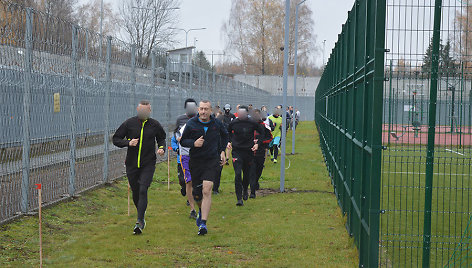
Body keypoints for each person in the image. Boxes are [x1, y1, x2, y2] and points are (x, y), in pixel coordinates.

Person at [113, 100, 166, 235]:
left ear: (149, 111)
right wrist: (128, 142)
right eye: (141, 110)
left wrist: (161, 148)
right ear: (137, 109)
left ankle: (140, 221)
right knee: (136, 192)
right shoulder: (129, 123)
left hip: (148, 163)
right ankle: (141, 212)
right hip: (131, 164)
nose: (143, 113)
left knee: (143, 189)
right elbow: (116, 139)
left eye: (146, 111)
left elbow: (161, 138)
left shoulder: (155, 125)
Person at [180, 100, 228, 235]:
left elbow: (225, 135)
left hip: (211, 160)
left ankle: (203, 224)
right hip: (195, 161)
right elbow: (183, 141)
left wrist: (222, 151)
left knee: (207, 189)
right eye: (201, 109)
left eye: (206, 109)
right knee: (197, 194)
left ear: (210, 110)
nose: (203, 112)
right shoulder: (191, 124)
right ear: (198, 110)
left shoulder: (216, 123)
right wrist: (193, 143)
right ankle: (201, 210)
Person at [227, 105, 264, 205]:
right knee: (238, 174)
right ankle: (239, 199)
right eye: (239, 113)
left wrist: (257, 144)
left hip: (248, 151)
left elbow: (262, 132)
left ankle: (245, 190)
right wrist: (229, 141)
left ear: (247, 113)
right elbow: (227, 131)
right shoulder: (234, 122)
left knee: (246, 174)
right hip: (237, 151)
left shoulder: (252, 122)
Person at [174, 98, 198, 219]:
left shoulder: (201, 120)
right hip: (185, 155)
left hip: (199, 155)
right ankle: (192, 209)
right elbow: (176, 133)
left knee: (199, 182)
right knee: (187, 181)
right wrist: (178, 139)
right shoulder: (180, 120)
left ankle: (198, 201)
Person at [252, 109, 273, 190]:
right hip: (250, 151)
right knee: (251, 169)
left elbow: (270, 137)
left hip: (260, 151)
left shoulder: (264, 126)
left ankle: (256, 180)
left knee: (259, 168)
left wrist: (261, 142)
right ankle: (252, 185)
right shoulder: (249, 125)